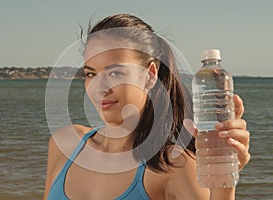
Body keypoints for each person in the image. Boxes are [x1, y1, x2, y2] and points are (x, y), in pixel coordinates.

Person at [44, 13, 250, 200]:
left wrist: (224, 180)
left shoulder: (175, 165)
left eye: (115, 73)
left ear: (150, 75)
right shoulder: (65, 144)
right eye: (90, 74)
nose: (99, 87)